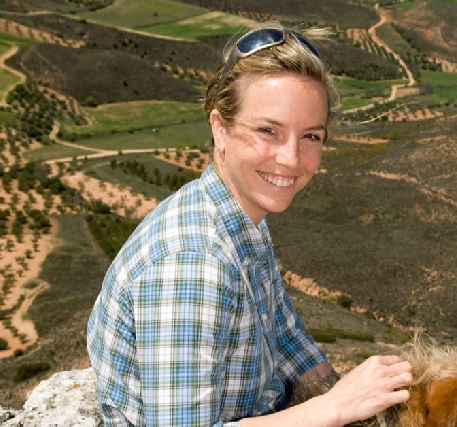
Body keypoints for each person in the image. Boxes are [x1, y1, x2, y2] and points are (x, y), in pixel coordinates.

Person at [87, 22, 412, 427]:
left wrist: (352, 401)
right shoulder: (194, 266)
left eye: (311, 136)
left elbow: (283, 332)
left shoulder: (239, 217)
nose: (291, 159)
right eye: (267, 131)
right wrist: (335, 407)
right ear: (219, 128)